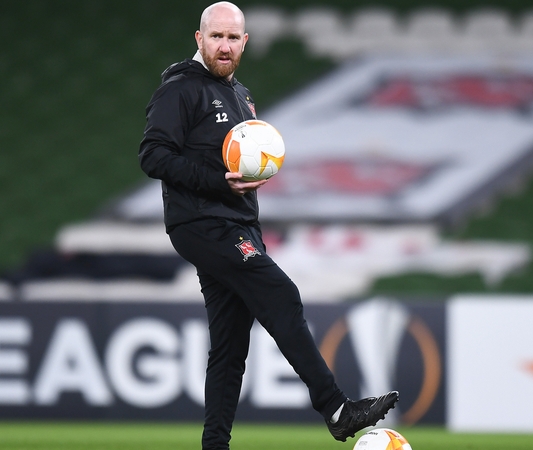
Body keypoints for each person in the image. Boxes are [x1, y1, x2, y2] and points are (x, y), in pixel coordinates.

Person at [138, 2, 399, 449]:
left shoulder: (241, 95)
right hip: (203, 223)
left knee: (229, 347)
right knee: (280, 293)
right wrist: (217, 181)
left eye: (232, 38)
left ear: (244, 42)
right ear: (199, 39)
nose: (224, 45)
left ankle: (214, 445)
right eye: (216, 36)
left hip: (238, 224)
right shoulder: (180, 89)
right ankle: (337, 409)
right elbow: (152, 155)